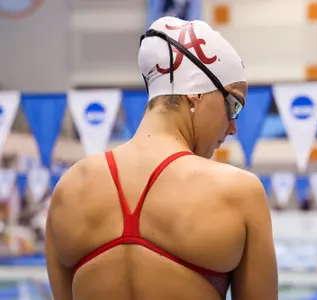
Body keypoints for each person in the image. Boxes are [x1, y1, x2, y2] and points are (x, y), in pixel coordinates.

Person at [45, 16, 278, 300]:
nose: (233, 127)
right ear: (195, 95)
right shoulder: (239, 193)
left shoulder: (68, 189)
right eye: (234, 105)